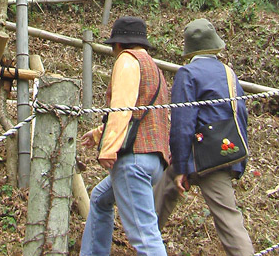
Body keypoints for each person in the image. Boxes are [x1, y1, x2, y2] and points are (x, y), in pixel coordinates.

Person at [154, 18, 253, 256]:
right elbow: (241, 114)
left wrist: (180, 166)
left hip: (202, 156)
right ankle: (146, 242)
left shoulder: (187, 73)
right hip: (225, 151)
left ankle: (145, 240)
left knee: (228, 220)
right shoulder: (228, 73)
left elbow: (182, 123)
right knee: (165, 188)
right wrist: (240, 161)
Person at [80, 16, 170, 256]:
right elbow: (141, 114)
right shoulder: (153, 67)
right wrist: (100, 133)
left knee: (145, 237)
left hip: (134, 161)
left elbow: (122, 107)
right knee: (100, 198)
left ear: (118, 44)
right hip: (155, 160)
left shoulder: (127, 61)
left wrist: (108, 149)